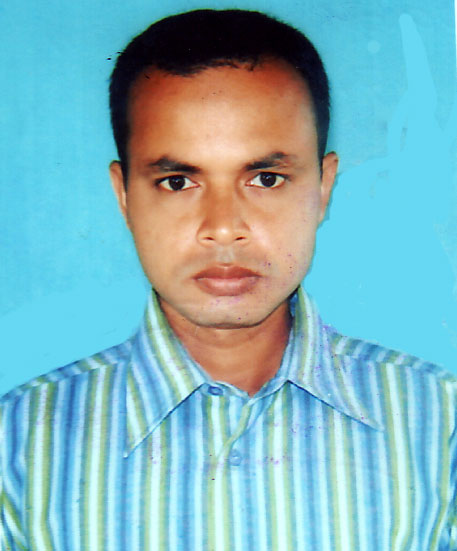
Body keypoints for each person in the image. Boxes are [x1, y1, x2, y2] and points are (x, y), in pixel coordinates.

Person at [1, 9, 456, 551]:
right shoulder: (18, 445)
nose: (222, 227)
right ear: (124, 196)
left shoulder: (439, 424)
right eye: (177, 181)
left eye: (266, 178)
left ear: (323, 187)